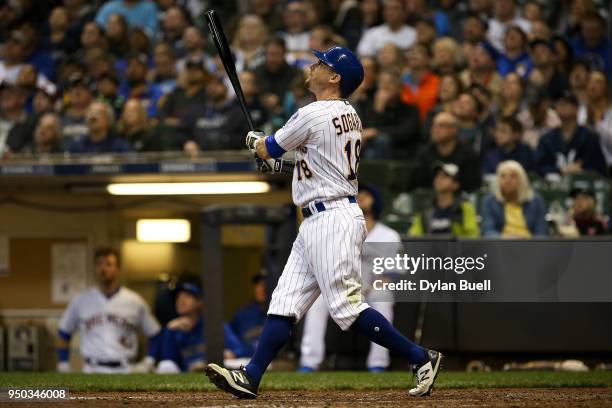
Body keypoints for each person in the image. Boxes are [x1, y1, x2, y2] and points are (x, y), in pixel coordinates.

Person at [205, 46, 442, 399]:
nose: (313, 65)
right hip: (320, 217)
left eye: (322, 63)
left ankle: (420, 356)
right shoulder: (349, 113)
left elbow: (268, 148)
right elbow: (316, 163)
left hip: (331, 218)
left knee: (346, 306)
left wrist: (258, 144)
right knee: (284, 302)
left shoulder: (313, 113)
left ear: (335, 78)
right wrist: (280, 162)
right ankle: (251, 377)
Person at [298, 184, 403, 373]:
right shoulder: (338, 232)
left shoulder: (389, 235)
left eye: (367, 194)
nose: (361, 196)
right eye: (358, 194)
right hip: (341, 287)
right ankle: (309, 362)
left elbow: (392, 274)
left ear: (376, 201)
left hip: (372, 289)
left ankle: (378, 363)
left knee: (383, 298)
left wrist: (369, 287)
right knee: (317, 301)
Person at [56, 247, 161, 373]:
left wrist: (149, 361)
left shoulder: (134, 300)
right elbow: (64, 332)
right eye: (99, 264)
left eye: (109, 264)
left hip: (125, 368)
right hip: (92, 368)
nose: (103, 268)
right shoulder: (81, 300)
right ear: (94, 268)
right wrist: (63, 363)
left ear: (118, 269)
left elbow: (155, 332)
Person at [155, 283, 250, 373]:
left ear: (199, 302)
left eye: (187, 296)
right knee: (165, 365)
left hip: (215, 371)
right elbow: (168, 362)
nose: (181, 300)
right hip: (186, 374)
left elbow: (242, 350)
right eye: (178, 297)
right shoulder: (172, 329)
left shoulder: (214, 325)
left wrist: (230, 353)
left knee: (246, 362)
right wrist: (167, 330)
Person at [536, 92, 607, 177]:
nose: (561, 106)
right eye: (558, 103)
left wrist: (581, 170)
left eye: (566, 103)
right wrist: (561, 170)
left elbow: (598, 168)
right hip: (553, 186)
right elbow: (538, 167)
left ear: (576, 108)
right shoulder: (547, 138)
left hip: (584, 185)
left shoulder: (589, 137)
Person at [409, 111, 482, 192]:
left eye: (441, 126)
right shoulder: (424, 153)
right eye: (433, 125)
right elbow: (417, 184)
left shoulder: (468, 155)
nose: (435, 129)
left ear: (454, 130)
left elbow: (473, 186)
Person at [359, 69, 421, 159]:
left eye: (390, 82)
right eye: (382, 82)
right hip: (370, 150)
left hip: (400, 153)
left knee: (382, 140)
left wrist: (376, 131)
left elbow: (404, 132)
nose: (385, 86)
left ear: (400, 88)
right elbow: (366, 131)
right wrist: (378, 109)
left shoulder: (410, 109)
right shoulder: (368, 105)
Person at [480, 160, 548, 238]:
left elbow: (541, 232)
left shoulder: (535, 200)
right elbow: (488, 231)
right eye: (503, 176)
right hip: (500, 246)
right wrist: (507, 239)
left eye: (513, 176)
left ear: (522, 180)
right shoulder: (489, 201)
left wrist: (525, 241)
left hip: (531, 246)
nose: (507, 180)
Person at [409, 162, 479, 237]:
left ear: (456, 184)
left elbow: (472, 238)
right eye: (437, 176)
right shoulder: (425, 209)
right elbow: (414, 236)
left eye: (445, 176)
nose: (439, 179)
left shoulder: (465, 208)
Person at [229, 274, 267, 358]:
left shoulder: (284, 313)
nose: (262, 289)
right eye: (259, 285)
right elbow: (231, 344)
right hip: (246, 361)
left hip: (276, 363)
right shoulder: (242, 315)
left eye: (266, 285)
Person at [400, 43, 440, 121]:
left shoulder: (437, 82)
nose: (413, 55)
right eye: (411, 52)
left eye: (419, 52)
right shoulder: (399, 83)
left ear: (428, 59)